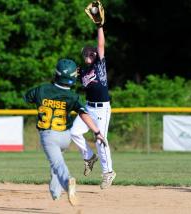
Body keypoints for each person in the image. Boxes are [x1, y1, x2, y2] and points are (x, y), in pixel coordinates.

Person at [24, 58, 107, 206]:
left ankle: (67, 181)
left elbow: (27, 97)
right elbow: (84, 114)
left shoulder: (42, 89)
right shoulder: (73, 96)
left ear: (56, 74)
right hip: (65, 136)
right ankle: (55, 192)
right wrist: (96, 131)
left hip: (48, 135)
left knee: (57, 164)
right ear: (73, 78)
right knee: (57, 160)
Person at [70, 21, 116, 189]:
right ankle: (89, 157)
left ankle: (108, 172)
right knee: (74, 132)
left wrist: (99, 26)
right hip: (88, 108)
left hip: (102, 108)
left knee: (100, 140)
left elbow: (101, 44)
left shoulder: (100, 65)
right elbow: (69, 75)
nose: (88, 56)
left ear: (95, 55)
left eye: (91, 54)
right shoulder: (82, 71)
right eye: (86, 55)